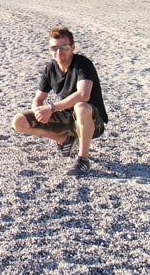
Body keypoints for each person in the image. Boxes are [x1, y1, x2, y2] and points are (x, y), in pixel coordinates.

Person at [12, 26, 108, 176]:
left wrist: (51, 109)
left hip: (90, 122)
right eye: (54, 48)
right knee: (19, 121)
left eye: (64, 47)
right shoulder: (50, 68)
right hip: (65, 117)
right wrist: (38, 112)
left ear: (73, 47)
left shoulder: (83, 64)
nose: (59, 52)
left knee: (81, 107)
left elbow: (83, 95)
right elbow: (38, 98)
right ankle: (64, 140)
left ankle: (83, 160)